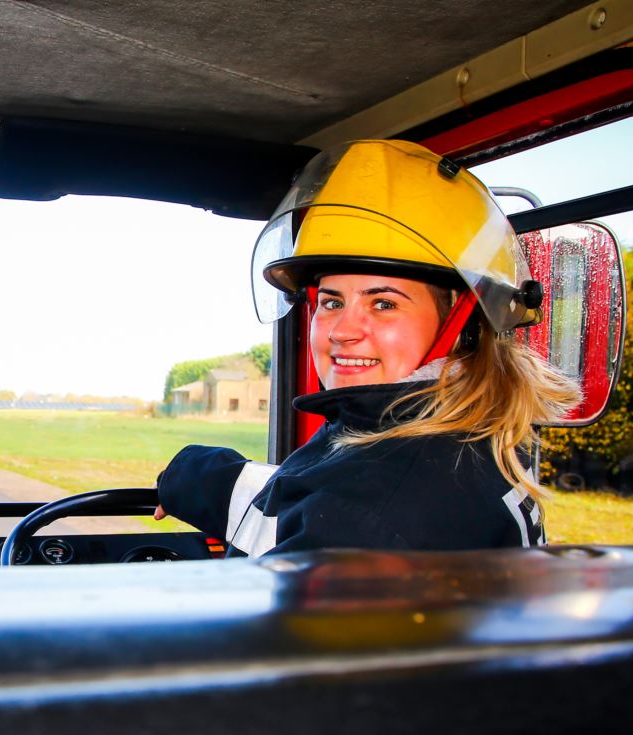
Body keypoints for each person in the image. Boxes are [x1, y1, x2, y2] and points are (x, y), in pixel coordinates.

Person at [154, 139, 580, 557]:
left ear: (460, 323)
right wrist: (190, 476)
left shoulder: (374, 511)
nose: (343, 330)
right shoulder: (442, 439)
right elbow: (306, 489)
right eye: (332, 301)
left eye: (383, 303)